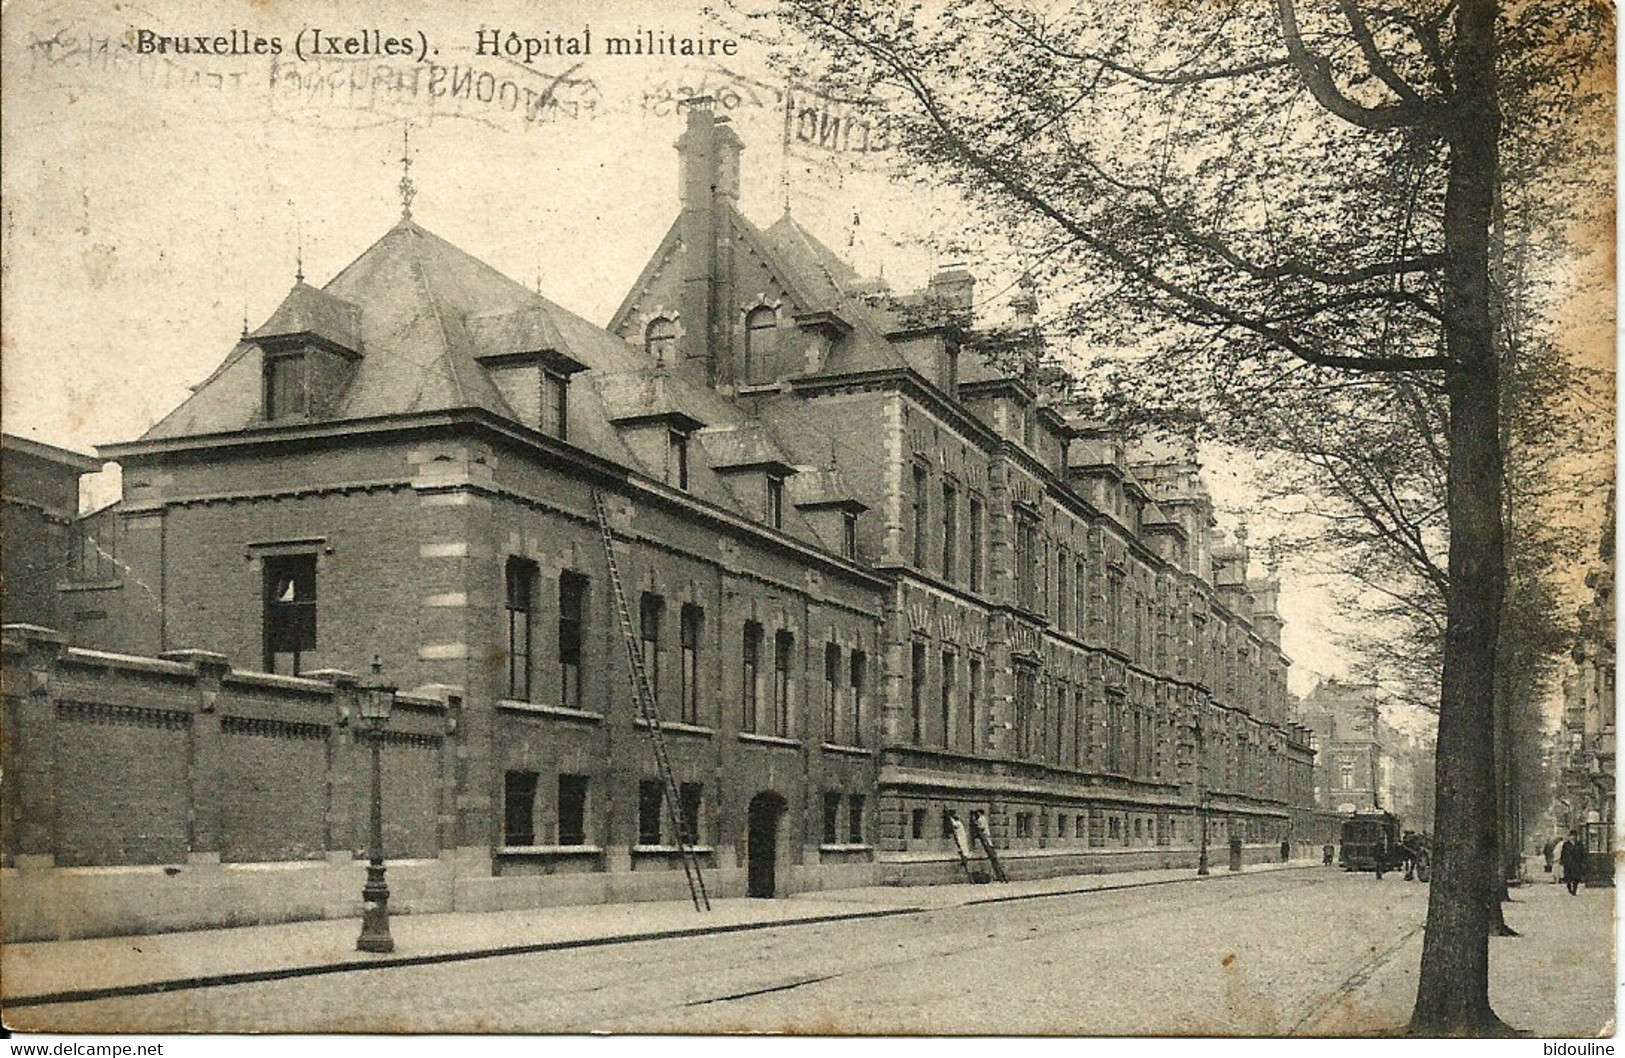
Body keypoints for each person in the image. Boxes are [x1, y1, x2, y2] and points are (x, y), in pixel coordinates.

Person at [1559, 829, 1586, 896]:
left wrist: (1583, 861)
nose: (1573, 837)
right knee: (1568, 877)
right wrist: (1562, 861)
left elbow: (1582, 853)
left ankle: (1574, 890)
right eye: (1571, 836)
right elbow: (1563, 853)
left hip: (1577, 863)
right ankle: (1569, 887)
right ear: (1569, 836)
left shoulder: (1579, 844)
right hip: (1568, 863)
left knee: (1576, 878)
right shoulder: (1566, 844)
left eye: (1574, 836)